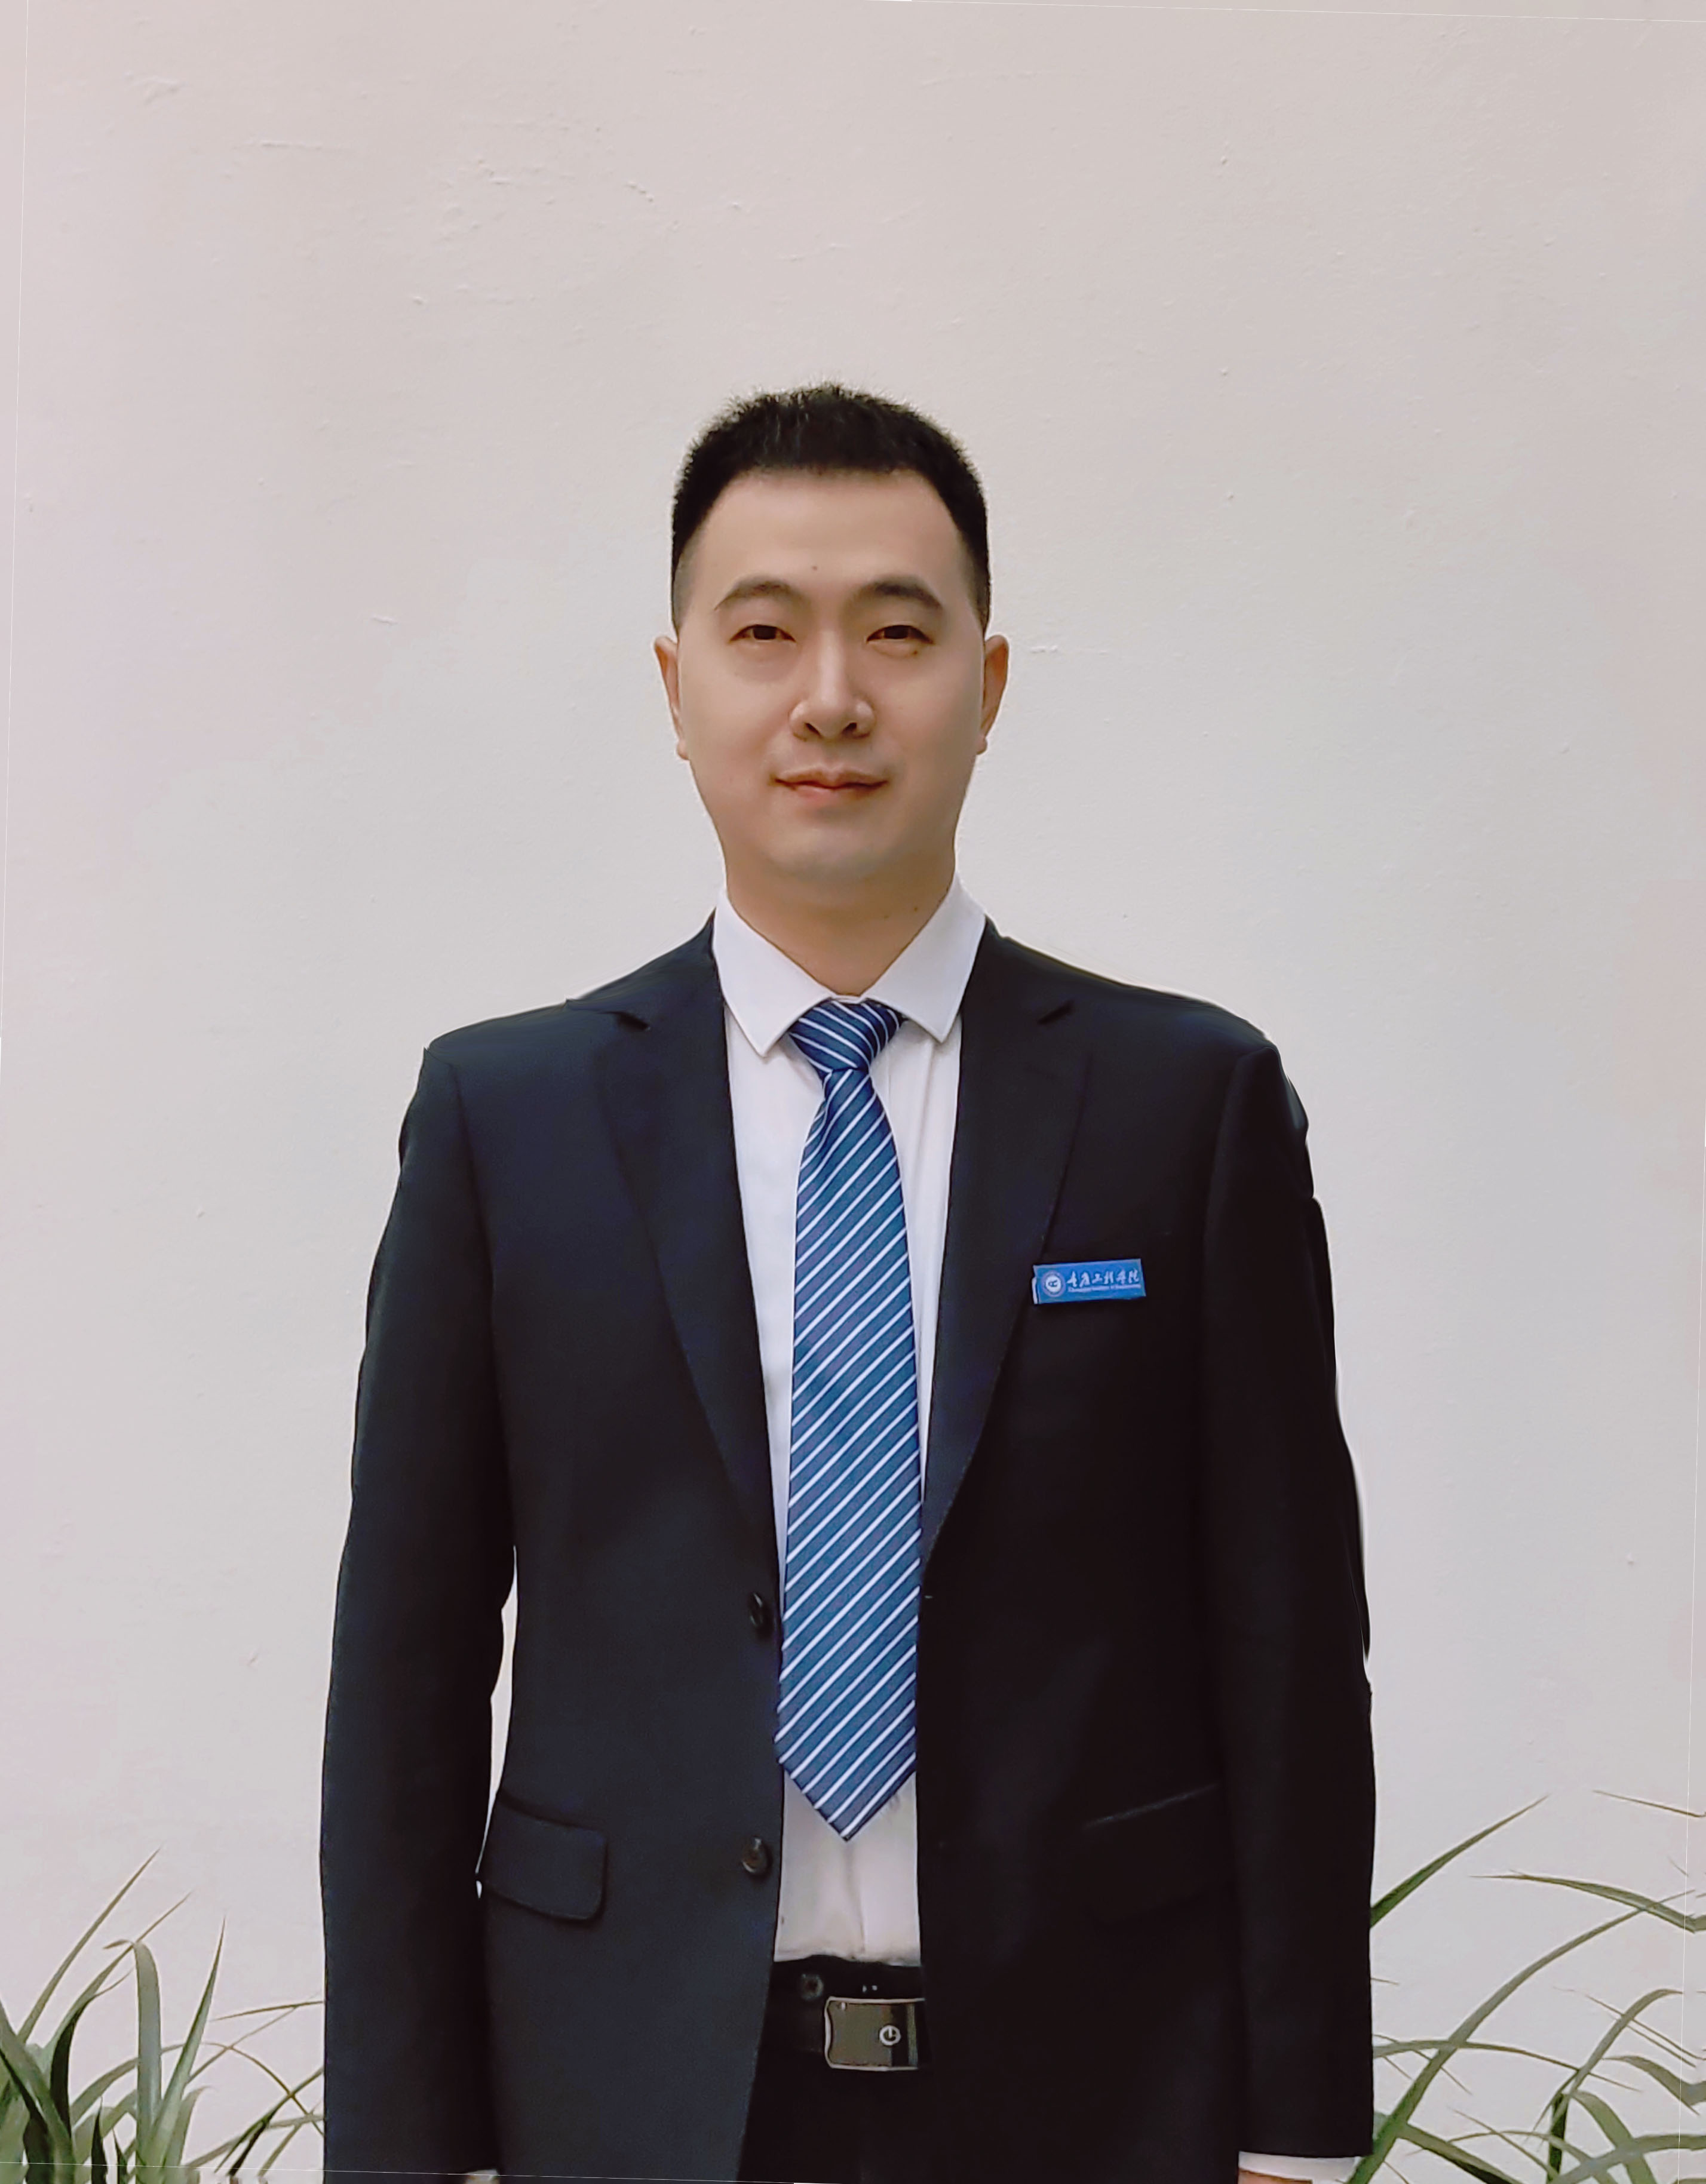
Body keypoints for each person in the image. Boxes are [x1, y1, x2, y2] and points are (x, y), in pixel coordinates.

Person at [320, 385, 1375, 2184]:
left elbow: (1285, 1641)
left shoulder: (1186, 1105)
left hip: (1103, 2084)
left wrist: (1296, 2133)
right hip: (623, 2094)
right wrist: (414, 2149)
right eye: (763, 634)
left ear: (990, 679)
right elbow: (406, 1675)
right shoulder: (509, 1119)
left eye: (897, 631)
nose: (831, 697)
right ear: (675, 690)